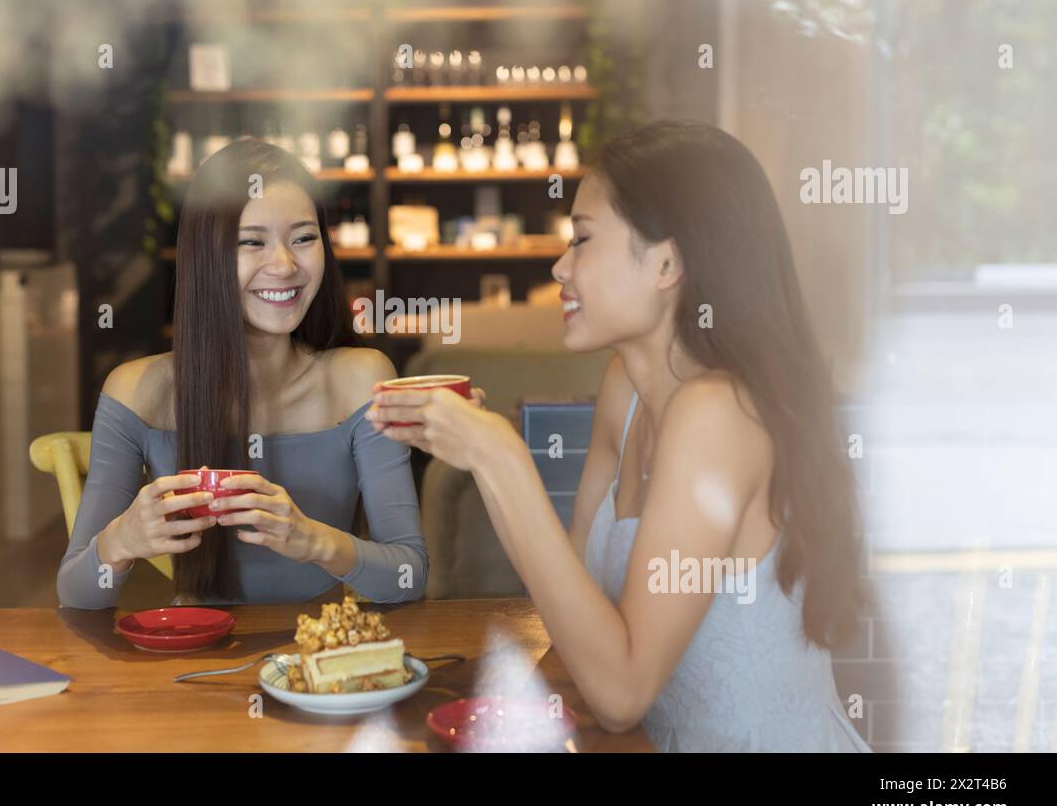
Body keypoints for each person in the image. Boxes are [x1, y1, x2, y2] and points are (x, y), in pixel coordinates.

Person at [370, 121, 870, 751]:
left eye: (582, 240)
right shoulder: (625, 391)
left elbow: (620, 693)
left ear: (667, 262)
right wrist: (480, 456)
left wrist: (500, 456)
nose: (559, 265)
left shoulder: (719, 414)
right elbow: (574, 620)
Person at [58, 139, 427, 608]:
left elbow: (408, 576)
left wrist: (312, 540)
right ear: (206, 257)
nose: (284, 265)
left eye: (304, 238)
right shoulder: (138, 391)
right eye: (252, 242)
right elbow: (75, 594)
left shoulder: (360, 379)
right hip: (198, 662)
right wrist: (121, 543)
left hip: (319, 657)